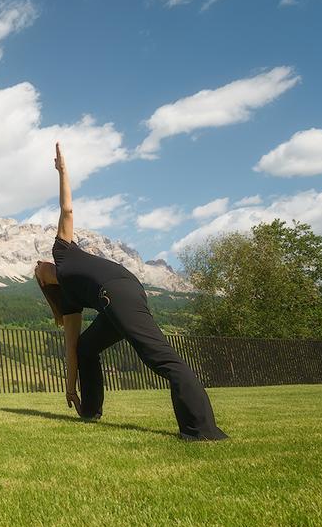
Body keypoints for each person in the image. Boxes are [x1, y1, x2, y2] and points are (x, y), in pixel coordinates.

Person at [34, 143, 227, 441]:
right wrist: (71, 387)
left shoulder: (62, 250)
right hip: (117, 296)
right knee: (86, 347)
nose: (39, 262)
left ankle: (201, 429)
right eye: (37, 268)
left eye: (40, 262)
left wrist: (63, 171)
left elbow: (67, 209)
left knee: (159, 358)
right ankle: (90, 410)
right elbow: (71, 349)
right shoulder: (70, 303)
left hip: (118, 292)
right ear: (44, 283)